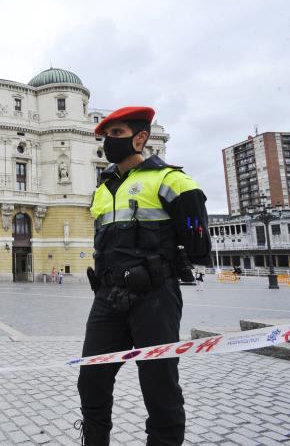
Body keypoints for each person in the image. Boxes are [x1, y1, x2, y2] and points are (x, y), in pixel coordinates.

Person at [77, 106, 211, 445]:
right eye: (107, 135)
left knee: (158, 383)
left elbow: (198, 243)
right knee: (90, 379)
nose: (110, 141)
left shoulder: (172, 181)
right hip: (108, 298)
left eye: (118, 134)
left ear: (141, 138)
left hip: (154, 297)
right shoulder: (103, 189)